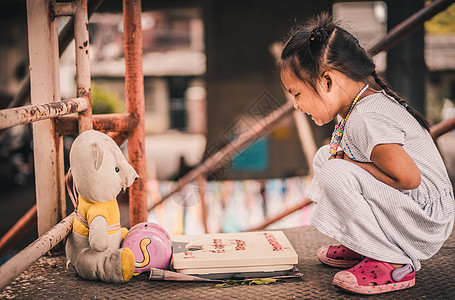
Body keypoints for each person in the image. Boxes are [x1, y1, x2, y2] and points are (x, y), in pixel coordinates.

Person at [278, 12, 454, 295]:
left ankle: (393, 262)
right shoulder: (356, 108)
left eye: (297, 94)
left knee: (335, 168)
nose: (296, 105)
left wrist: (349, 164)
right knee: (326, 158)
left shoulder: (367, 116)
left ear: (327, 81)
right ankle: (366, 243)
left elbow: (408, 179)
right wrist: (347, 163)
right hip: (413, 208)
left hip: (426, 219)